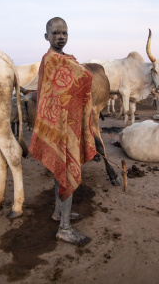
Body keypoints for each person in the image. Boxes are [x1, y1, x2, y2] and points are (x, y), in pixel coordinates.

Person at [29, 17, 96, 245]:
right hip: (60, 128)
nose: (61, 37)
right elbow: (86, 76)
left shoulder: (61, 60)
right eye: (56, 33)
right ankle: (65, 228)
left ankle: (59, 212)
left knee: (60, 172)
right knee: (67, 172)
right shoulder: (52, 60)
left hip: (62, 126)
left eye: (64, 33)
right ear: (47, 36)